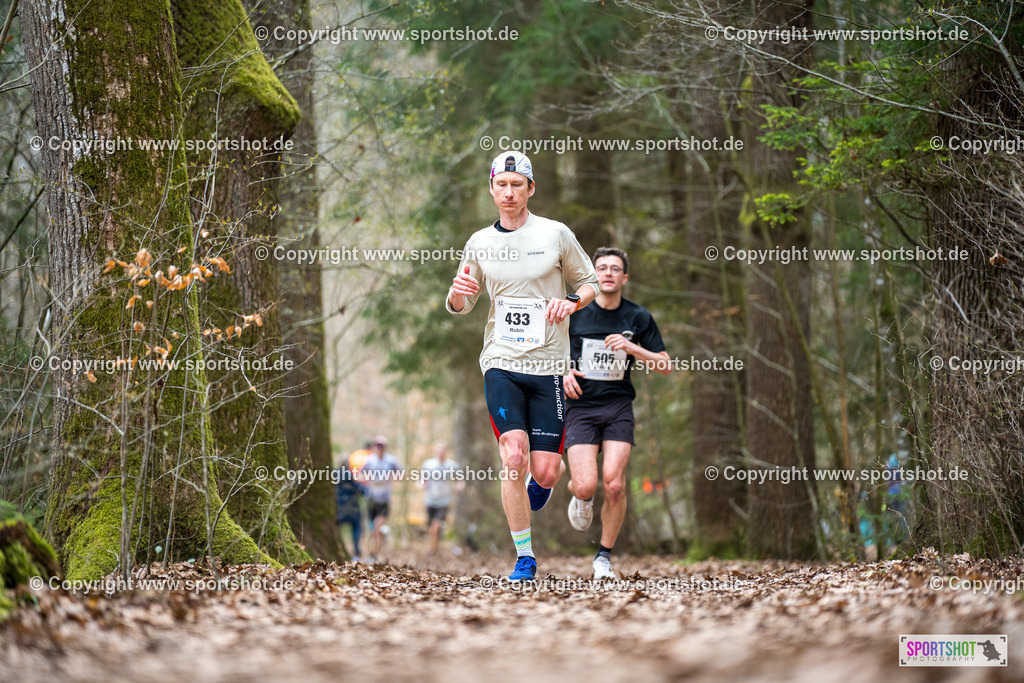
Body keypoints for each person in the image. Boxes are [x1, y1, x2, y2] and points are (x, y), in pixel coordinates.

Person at [446, 150, 599, 581]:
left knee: (546, 470)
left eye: (518, 184)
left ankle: (543, 482)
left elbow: (587, 282)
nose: (509, 192)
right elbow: (462, 302)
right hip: (501, 360)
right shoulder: (479, 242)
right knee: (513, 453)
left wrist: (570, 302)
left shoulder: (556, 234)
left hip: (549, 363)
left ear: (531, 188)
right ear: (492, 190)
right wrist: (458, 293)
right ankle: (525, 558)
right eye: (502, 184)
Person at [563, 247, 670, 580]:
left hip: (618, 406)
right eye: (601, 268)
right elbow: (547, 350)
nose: (608, 273)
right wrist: (563, 371)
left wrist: (633, 347)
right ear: (593, 275)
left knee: (613, 485)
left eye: (615, 268)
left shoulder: (638, 317)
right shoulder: (574, 311)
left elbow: (664, 365)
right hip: (580, 406)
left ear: (625, 277)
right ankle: (580, 499)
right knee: (585, 485)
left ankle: (603, 559)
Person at [356, 436, 404, 562]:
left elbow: (402, 475)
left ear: (385, 447)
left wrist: (391, 477)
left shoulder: (391, 461)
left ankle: (374, 555)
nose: (379, 448)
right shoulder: (369, 460)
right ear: (374, 447)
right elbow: (359, 475)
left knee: (377, 527)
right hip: (371, 498)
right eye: (377, 446)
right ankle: (380, 540)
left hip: (384, 499)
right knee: (373, 530)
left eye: (381, 446)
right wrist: (366, 478)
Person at [419, 442, 463, 552]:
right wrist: (422, 484)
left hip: (444, 501)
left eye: (442, 451)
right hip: (430, 500)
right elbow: (420, 480)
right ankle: (435, 545)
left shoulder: (452, 465)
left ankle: (433, 550)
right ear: (435, 452)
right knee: (431, 527)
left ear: (446, 452)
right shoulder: (428, 464)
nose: (440, 453)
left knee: (436, 525)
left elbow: (461, 481)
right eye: (438, 451)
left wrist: (458, 486)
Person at [335, 457, 365, 561]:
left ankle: (338, 549)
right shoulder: (352, 476)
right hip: (352, 508)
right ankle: (356, 553)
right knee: (357, 528)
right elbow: (362, 491)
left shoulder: (334, 474)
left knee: (335, 528)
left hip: (338, 508)